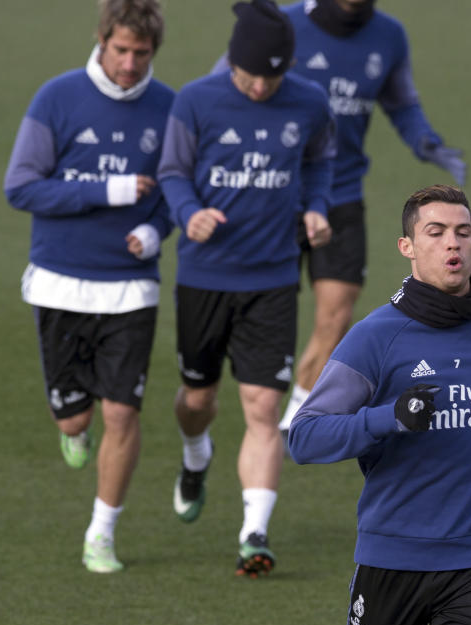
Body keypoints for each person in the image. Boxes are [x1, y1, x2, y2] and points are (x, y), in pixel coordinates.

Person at [288, 185, 471, 625]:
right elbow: (305, 437)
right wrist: (390, 418)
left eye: (463, 232)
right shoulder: (375, 337)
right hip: (393, 557)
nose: (453, 243)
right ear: (407, 247)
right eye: (437, 232)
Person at [157, 0, 335, 577]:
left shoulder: (309, 102)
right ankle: (194, 455)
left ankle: (253, 532)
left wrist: (315, 207)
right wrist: (189, 213)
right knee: (198, 400)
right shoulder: (196, 99)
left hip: (274, 279)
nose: (261, 87)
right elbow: (173, 172)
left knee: (263, 406)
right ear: (232, 60)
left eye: (272, 76)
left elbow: (320, 163)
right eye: (251, 74)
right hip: (205, 277)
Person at [3, 0, 173, 574]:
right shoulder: (57, 97)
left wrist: (154, 229)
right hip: (59, 286)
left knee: (122, 415)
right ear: (101, 40)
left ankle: (101, 532)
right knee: (76, 421)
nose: (129, 63)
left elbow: (177, 193)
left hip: (130, 290)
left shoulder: (168, 108)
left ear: (154, 51)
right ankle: (72, 428)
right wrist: (112, 191)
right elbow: (21, 187)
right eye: (121, 50)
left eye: (141, 53)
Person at [267, 0, 468, 435]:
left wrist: (426, 142)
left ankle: (297, 416)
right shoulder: (280, 26)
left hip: (341, 195)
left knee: (336, 316)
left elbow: (401, 104)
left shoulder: (388, 36)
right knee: (269, 317)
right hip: (275, 196)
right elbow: (224, 93)